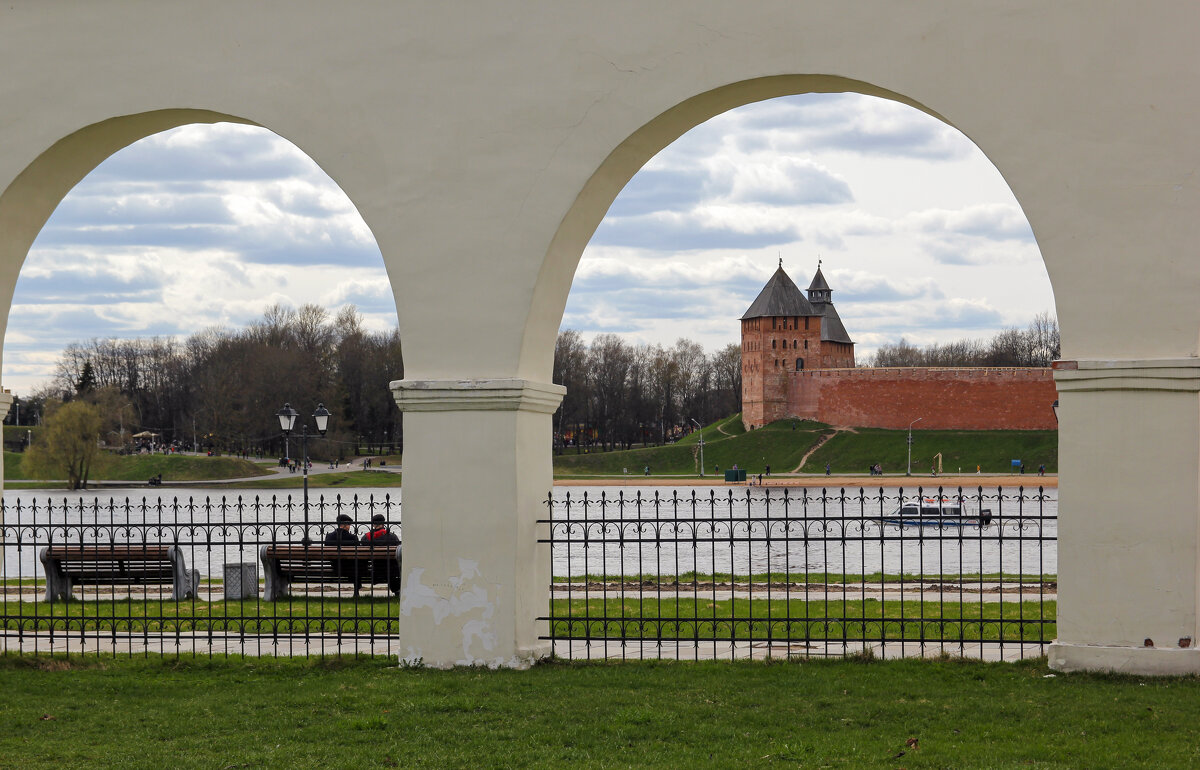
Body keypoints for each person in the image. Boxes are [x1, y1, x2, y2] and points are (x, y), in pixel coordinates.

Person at [361, 514, 401, 595]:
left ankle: (356, 592)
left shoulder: (366, 538)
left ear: (373, 524)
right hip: (391, 570)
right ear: (383, 524)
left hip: (374, 570)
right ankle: (396, 590)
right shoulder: (392, 537)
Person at [325, 514, 362, 595]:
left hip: (335, 567)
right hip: (351, 568)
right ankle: (356, 590)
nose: (349, 527)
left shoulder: (329, 537)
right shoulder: (352, 537)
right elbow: (358, 553)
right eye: (349, 525)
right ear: (345, 525)